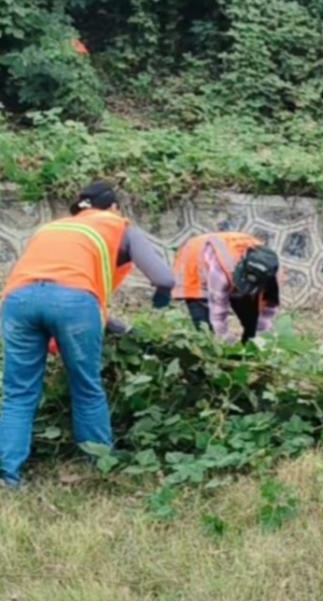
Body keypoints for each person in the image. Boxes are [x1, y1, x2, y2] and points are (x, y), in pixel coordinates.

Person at [1, 181, 176, 487]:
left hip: (18, 302)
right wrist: (163, 295)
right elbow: (164, 277)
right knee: (86, 387)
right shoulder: (119, 225)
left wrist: (114, 323)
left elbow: (54, 283)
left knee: (18, 393)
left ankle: (7, 475)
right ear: (113, 207)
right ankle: (99, 466)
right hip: (73, 305)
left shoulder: (52, 228)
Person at [170, 232, 281, 345]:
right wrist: (227, 343)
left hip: (233, 261)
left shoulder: (272, 274)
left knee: (252, 321)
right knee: (206, 329)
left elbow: (268, 310)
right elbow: (217, 315)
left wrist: (261, 339)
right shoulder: (220, 273)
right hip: (195, 258)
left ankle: (249, 349)